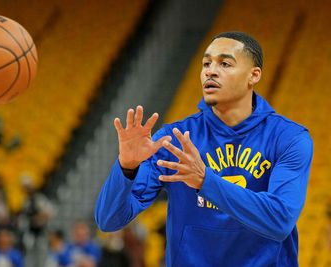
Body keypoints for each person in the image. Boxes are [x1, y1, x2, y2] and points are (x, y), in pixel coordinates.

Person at [95, 31, 313, 267]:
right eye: (206, 63)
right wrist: (126, 169)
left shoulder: (288, 138)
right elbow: (108, 220)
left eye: (225, 63)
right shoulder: (173, 139)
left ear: (254, 75)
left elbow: (279, 221)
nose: (211, 70)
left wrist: (205, 181)